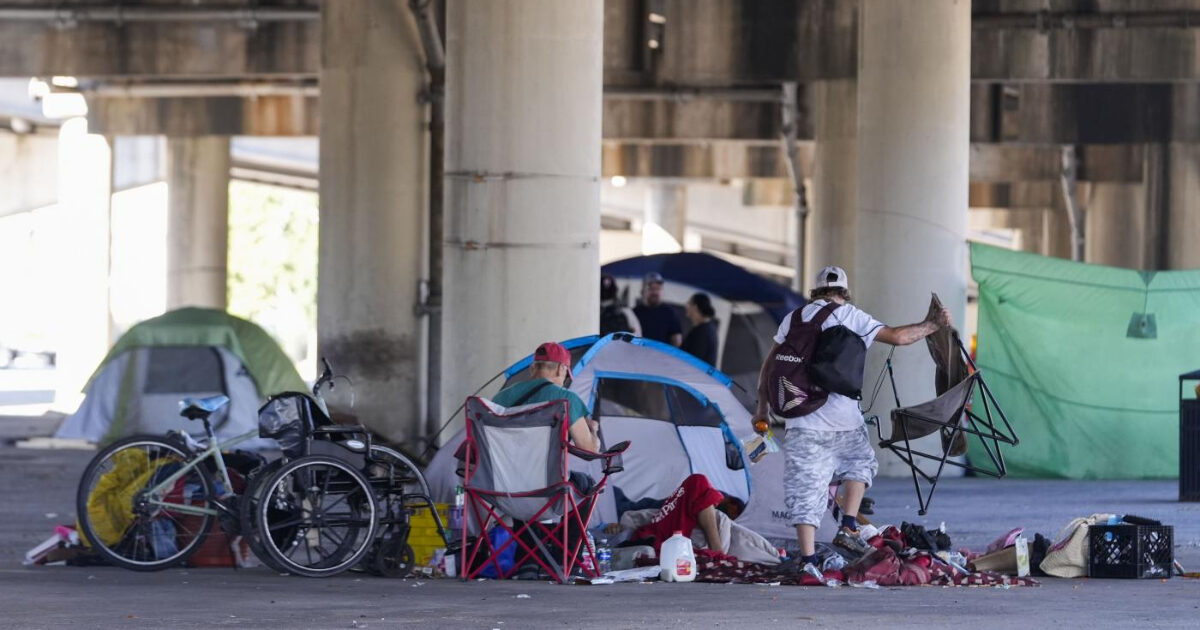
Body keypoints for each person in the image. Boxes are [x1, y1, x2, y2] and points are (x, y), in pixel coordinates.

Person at [750, 265, 952, 576]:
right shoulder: (851, 315)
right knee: (860, 465)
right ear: (844, 292)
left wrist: (761, 409)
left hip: (802, 421)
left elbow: (769, 367)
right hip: (844, 420)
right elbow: (898, 337)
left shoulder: (795, 318)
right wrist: (932, 324)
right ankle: (848, 527)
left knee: (806, 490)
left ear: (815, 291)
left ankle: (807, 562)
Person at [600, 474, 779, 565]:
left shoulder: (713, 510)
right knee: (697, 482)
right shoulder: (713, 498)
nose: (733, 512)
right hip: (656, 511)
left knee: (698, 483)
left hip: (659, 513)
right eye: (734, 509)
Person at [491, 341, 598, 452]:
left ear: (532, 368)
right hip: (543, 468)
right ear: (561, 368)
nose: (564, 380)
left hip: (500, 467)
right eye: (566, 374)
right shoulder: (567, 399)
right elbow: (589, 450)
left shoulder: (500, 397)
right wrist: (593, 430)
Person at [633, 272, 682, 346]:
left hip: (663, 357)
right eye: (651, 288)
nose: (655, 292)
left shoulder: (669, 313)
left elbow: (677, 341)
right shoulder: (634, 313)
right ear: (642, 291)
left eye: (658, 288)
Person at [680, 292, 718, 365]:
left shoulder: (703, 332)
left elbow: (694, 361)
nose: (686, 306)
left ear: (695, 307)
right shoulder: (706, 329)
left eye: (689, 303)